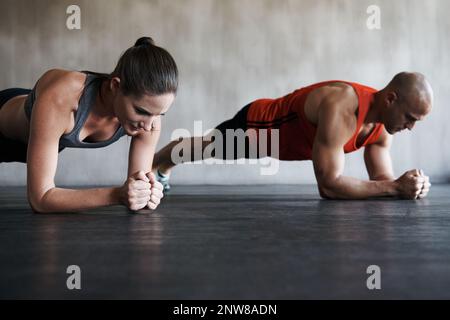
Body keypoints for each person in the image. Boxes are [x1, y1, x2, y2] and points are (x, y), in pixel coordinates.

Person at [153, 72, 433, 200]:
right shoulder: (343, 105)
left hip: (284, 142)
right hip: (261, 127)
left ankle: (161, 166)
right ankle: (156, 163)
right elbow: (329, 187)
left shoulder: (384, 128)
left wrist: (406, 185)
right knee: (207, 148)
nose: (410, 128)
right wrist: (396, 188)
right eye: (410, 118)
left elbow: (382, 182)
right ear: (391, 99)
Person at [0, 37, 177, 212]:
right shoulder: (63, 98)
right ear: (115, 86)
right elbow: (40, 200)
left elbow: (137, 193)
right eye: (141, 111)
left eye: (159, 114)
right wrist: (116, 195)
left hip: (34, 140)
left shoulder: (149, 119)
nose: (149, 126)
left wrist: (146, 196)